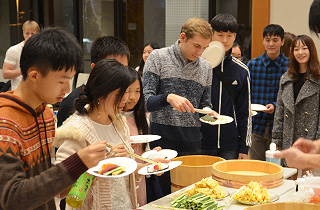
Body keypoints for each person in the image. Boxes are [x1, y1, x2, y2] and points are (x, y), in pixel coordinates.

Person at [0, 27, 107, 210]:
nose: (67, 89)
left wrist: (81, 173)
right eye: (61, 81)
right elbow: (12, 198)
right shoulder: (5, 123)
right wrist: (76, 163)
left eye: (70, 80)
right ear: (34, 75)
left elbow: (43, 186)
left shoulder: (46, 114)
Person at [54, 59, 169, 209]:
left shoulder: (120, 123)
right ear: (101, 93)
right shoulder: (76, 130)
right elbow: (58, 187)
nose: (126, 99)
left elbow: (123, 174)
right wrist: (103, 162)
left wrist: (149, 166)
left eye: (127, 92)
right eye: (121, 93)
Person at [143, 17, 218, 195]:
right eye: (196, 46)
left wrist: (209, 113)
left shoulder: (206, 67)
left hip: (192, 143)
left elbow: (204, 104)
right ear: (183, 37)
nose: (200, 52)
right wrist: (168, 98)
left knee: (189, 197)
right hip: (161, 142)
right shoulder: (158, 58)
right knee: (160, 199)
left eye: (204, 48)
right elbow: (146, 102)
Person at [200, 13, 251, 160]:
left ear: (235, 37)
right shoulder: (199, 65)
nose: (224, 40)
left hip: (230, 144)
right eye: (220, 34)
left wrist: (244, 147)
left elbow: (244, 112)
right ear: (212, 35)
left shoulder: (241, 70)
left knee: (229, 182)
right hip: (201, 141)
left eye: (229, 35)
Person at [272, 35, 320, 176]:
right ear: (292, 52)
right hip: (289, 135)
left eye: (304, 48)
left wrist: (317, 141)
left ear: (311, 51)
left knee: (307, 182)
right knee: (288, 177)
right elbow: (279, 112)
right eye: (296, 49)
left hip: (308, 138)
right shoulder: (286, 78)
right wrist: (277, 139)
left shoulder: (317, 79)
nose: (300, 53)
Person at [57, 36, 130, 127]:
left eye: (124, 68)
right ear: (94, 68)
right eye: (113, 68)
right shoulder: (71, 103)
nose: (121, 74)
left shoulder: (122, 98)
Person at [248, 24, 289, 161]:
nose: (271, 44)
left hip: (280, 128)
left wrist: (275, 105)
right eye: (267, 39)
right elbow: (246, 95)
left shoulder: (289, 66)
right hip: (256, 124)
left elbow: (292, 96)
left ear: (282, 41)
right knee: (256, 168)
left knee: (278, 169)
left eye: (275, 40)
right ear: (263, 41)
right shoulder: (253, 65)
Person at [122, 69, 163, 205]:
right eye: (128, 91)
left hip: (140, 180)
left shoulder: (143, 120)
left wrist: (152, 154)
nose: (133, 97)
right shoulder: (115, 120)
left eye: (137, 91)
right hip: (121, 180)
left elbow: (144, 152)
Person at [2, 20, 40, 90]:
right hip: (19, 93)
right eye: (27, 33)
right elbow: (5, 74)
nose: (29, 36)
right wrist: (24, 69)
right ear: (23, 33)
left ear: (37, 34)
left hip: (39, 93)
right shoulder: (14, 50)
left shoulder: (43, 50)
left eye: (32, 34)